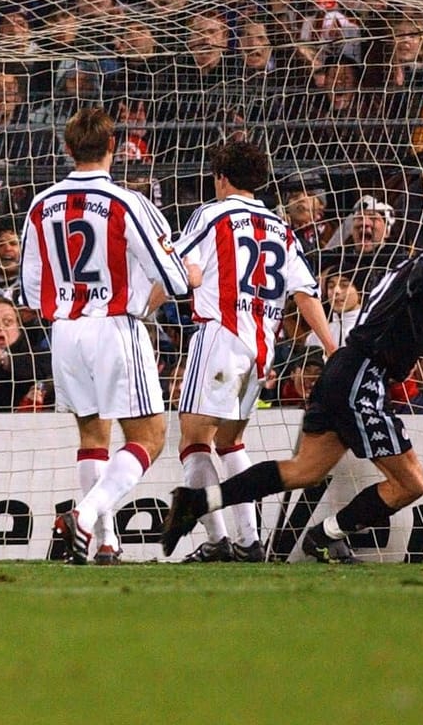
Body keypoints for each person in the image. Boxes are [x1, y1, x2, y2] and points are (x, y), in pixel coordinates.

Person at [160, 199, 423, 563]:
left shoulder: (422, 271)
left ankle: (199, 501)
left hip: (346, 375)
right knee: (411, 484)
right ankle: (325, 536)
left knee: (305, 470)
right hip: (360, 381)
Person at [19, 107, 201, 565]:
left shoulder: (42, 204)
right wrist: (189, 275)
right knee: (152, 436)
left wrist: (66, 305)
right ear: (113, 147)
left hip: (65, 332)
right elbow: (174, 278)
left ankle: (106, 541)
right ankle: (84, 515)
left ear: (66, 149)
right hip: (115, 327)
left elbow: (29, 286)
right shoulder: (126, 202)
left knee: (92, 434)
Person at [171, 141, 336, 563]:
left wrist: (143, 307)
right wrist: (332, 345)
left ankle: (217, 541)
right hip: (261, 350)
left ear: (221, 178)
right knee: (231, 441)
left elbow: (179, 269)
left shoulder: (211, 214)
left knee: (193, 441)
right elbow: (304, 292)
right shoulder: (281, 227)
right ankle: (249, 542)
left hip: (220, 338)